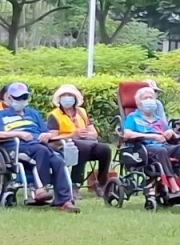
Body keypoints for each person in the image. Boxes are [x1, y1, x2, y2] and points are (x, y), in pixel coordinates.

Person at [0, 82, 79, 212]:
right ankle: (39, 189)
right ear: (9, 98)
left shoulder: (33, 113)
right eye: (18, 98)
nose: (21, 100)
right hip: (17, 146)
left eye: (24, 97)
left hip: (38, 144)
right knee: (41, 150)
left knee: (58, 161)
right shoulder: (2, 115)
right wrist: (18, 133)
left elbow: (46, 132)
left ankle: (64, 201)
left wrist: (46, 135)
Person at [123, 87, 180, 198]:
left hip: (164, 146)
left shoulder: (159, 119)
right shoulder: (133, 117)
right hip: (144, 148)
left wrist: (171, 132)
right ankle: (174, 188)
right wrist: (153, 136)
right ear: (139, 103)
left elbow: (173, 136)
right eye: (145, 98)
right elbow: (127, 134)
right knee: (161, 151)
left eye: (151, 98)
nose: (149, 100)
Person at [46, 84, 112, 198]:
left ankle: (102, 183)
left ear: (75, 98)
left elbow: (94, 133)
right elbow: (52, 138)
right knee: (82, 147)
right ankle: (74, 183)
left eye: (70, 95)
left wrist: (85, 134)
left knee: (105, 149)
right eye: (64, 95)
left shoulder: (81, 112)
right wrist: (72, 135)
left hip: (86, 143)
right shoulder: (54, 115)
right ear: (59, 99)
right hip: (64, 146)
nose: (67, 98)